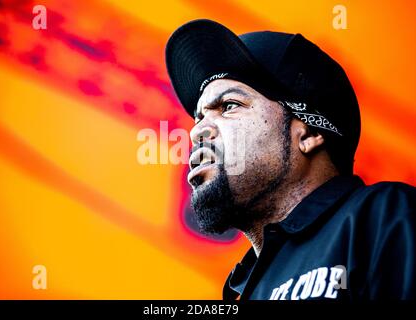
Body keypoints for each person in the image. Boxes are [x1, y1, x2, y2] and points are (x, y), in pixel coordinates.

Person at [165, 19, 415, 300]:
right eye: (199, 117)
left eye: (229, 106)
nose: (198, 129)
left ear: (308, 133)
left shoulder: (383, 215)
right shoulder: (243, 288)